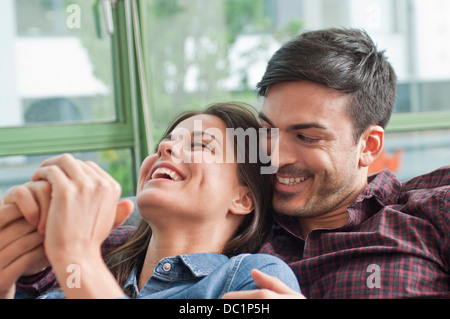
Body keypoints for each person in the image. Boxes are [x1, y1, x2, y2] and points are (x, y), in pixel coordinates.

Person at [8, 27, 450, 299]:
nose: (273, 155)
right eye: (265, 132)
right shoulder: (192, 231)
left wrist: (74, 255)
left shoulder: (427, 214)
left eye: (307, 136)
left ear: (368, 146)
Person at [0, 102, 300, 299]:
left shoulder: (253, 278)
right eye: (165, 142)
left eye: (200, 144)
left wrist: (77, 253)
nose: (167, 146)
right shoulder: (72, 282)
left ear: (242, 198)